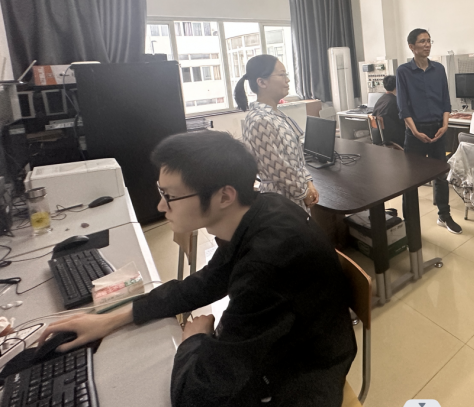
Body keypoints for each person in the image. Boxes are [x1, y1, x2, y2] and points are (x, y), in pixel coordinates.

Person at [38, 131, 357, 406]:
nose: (161, 206)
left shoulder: (269, 261)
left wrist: (194, 338)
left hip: (301, 378)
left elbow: (196, 395)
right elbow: (207, 282)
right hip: (278, 348)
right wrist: (112, 319)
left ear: (224, 196)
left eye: (170, 196)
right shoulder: (259, 210)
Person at [396, 28, 463, 234]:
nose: (427, 45)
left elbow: (445, 100)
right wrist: (415, 131)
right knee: (410, 180)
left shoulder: (439, 69)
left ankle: (444, 215)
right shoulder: (403, 71)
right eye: (422, 41)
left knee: (440, 175)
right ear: (411, 46)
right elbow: (403, 106)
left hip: (438, 130)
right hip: (415, 131)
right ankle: (409, 222)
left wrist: (445, 125)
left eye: (429, 41)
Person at [237, 55, 319, 210]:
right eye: (282, 75)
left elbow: (296, 159)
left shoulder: (275, 115)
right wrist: (304, 192)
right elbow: (279, 169)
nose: (287, 80)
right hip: (280, 203)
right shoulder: (260, 121)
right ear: (262, 82)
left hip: (293, 198)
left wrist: (308, 182)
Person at [372, 75, 406, 147]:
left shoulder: (381, 99)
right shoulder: (395, 101)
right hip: (393, 137)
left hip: (379, 135)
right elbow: (403, 120)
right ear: (397, 86)